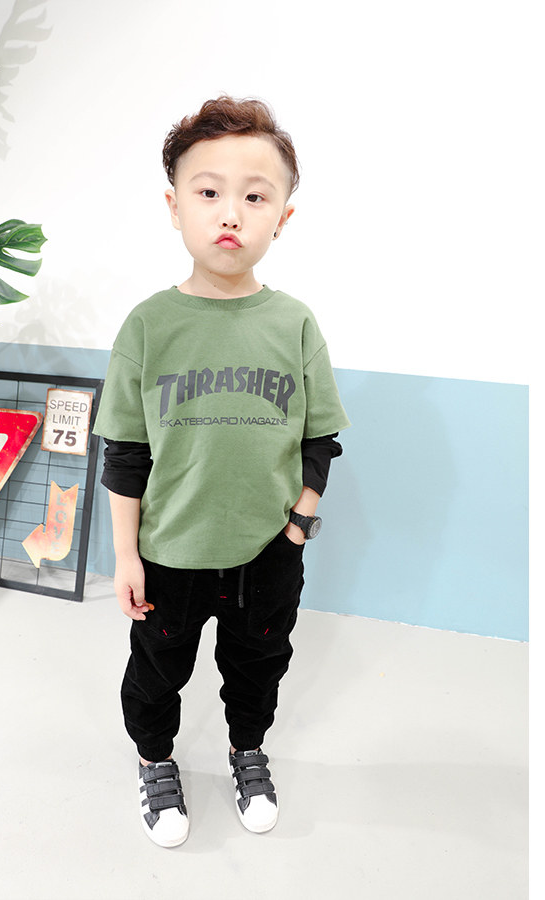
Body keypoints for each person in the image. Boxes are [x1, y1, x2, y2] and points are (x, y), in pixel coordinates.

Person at [92, 96, 351, 848]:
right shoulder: (148, 325)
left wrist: (298, 526)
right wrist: (126, 555)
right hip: (169, 553)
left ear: (283, 217)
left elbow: (321, 437)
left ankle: (247, 752)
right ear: (174, 206)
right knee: (157, 671)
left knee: (259, 665)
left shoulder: (293, 323)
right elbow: (126, 453)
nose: (230, 213)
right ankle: (155, 760)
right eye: (208, 191)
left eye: (255, 196)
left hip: (267, 553)